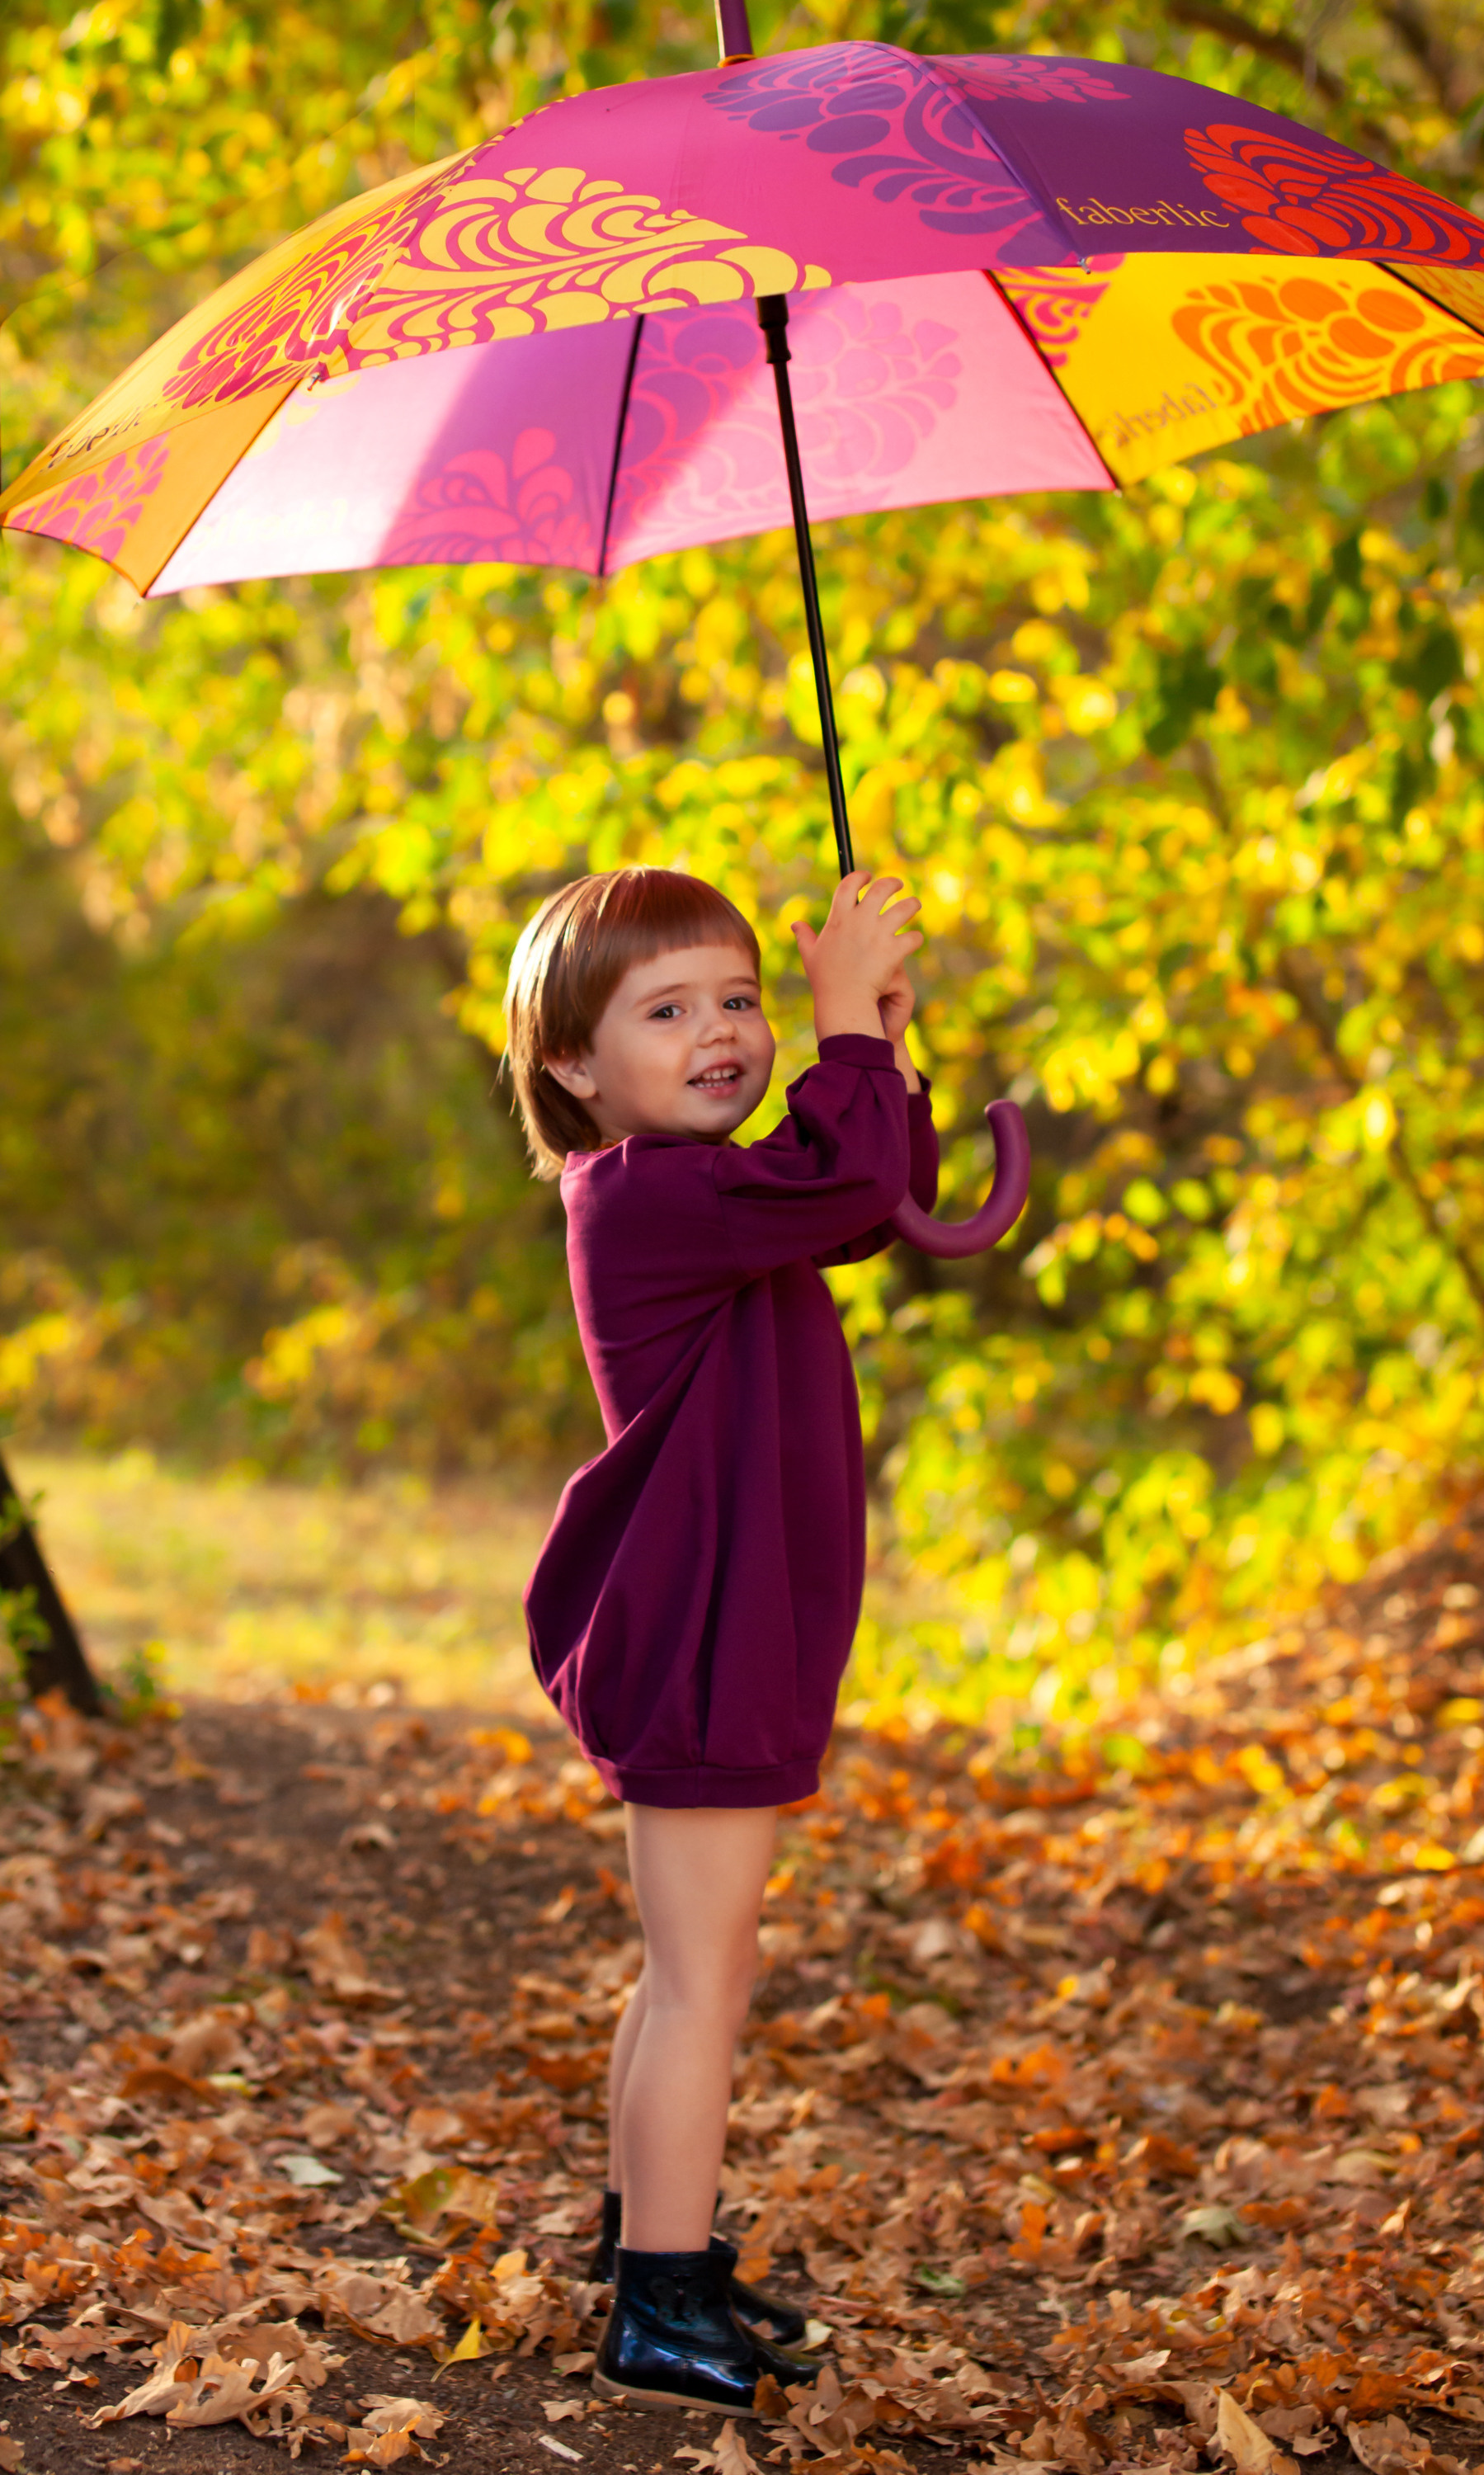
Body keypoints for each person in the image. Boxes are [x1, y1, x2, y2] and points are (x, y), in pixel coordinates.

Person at [503, 862, 938, 2416]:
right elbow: (833, 1185)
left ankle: (656, 2249)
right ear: (574, 1067)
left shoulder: (712, 1190)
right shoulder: (642, 1197)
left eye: (741, 1001)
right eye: (668, 1011)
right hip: (702, 1629)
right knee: (707, 1978)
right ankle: (656, 2302)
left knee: (687, 1967)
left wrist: (871, 1040)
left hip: (735, 1622)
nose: (722, 1035)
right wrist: (844, 1039)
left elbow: (868, 1202)